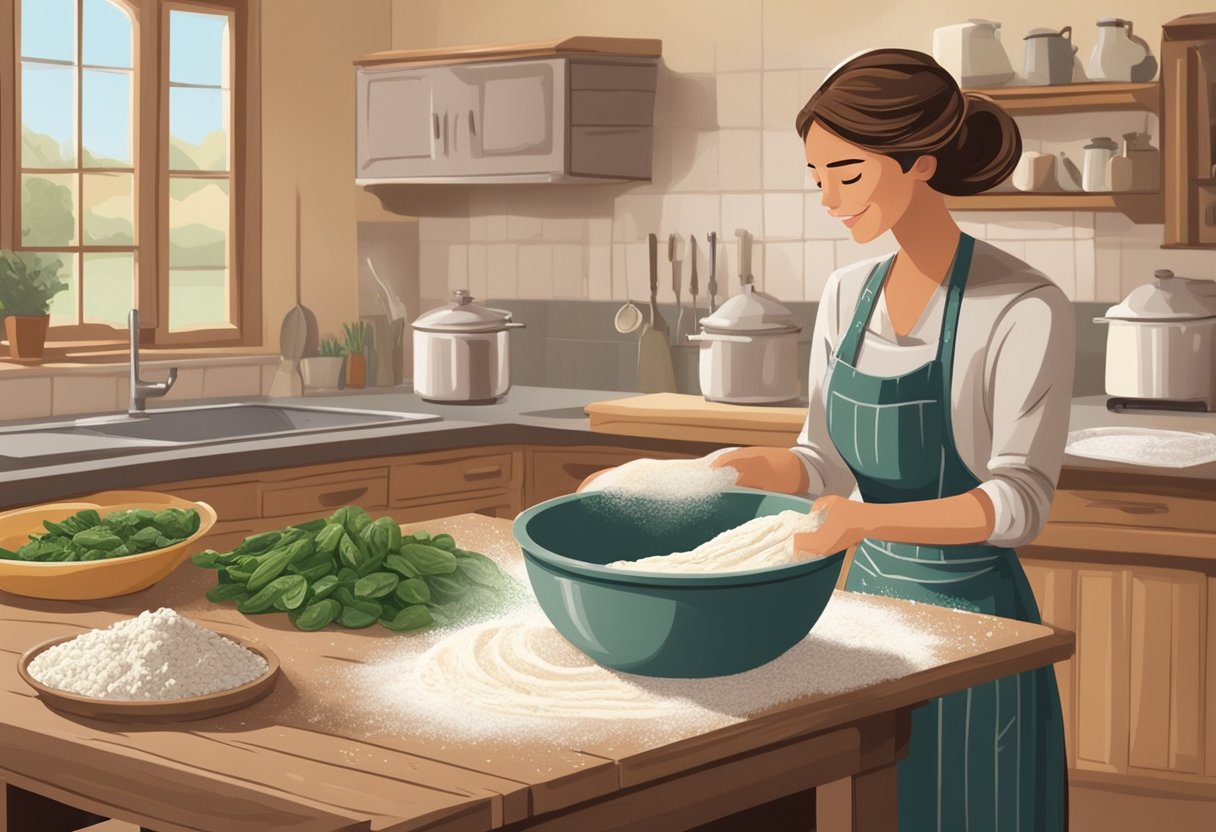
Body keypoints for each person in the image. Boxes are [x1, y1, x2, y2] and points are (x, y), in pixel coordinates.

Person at [708, 48, 1072, 830]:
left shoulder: (1022, 305)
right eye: (816, 179)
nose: (828, 200)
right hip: (870, 617)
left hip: (979, 624)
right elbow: (824, 463)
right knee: (880, 805)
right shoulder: (847, 296)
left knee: (977, 803)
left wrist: (863, 522)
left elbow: (1018, 503)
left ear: (920, 165)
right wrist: (739, 469)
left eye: (847, 174)